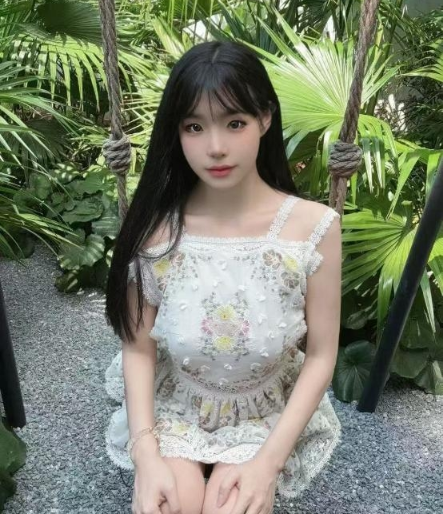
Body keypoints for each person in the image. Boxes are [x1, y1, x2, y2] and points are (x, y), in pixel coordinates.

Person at [104, 40, 342, 514]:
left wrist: (267, 464)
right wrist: (145, 453)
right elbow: (138, 346)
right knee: (168, 506)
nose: (215, 147)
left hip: (264, 408)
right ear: (176, 132)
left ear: (265, 119)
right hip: (180, 401)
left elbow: (320, 356)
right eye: (194, 127)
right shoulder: (157, 231)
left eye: (235, 123)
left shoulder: (312, 229)